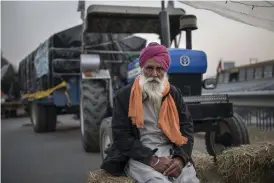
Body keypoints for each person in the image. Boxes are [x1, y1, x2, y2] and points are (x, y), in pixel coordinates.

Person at [101, 42, 199, 183]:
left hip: (172, 153)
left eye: (159, 69)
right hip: (140, 156)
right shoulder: (125, 95)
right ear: (142, 68)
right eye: (149, 68)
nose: (154, 74)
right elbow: (121, 137)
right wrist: (153, 160)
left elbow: (186, 128)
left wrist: (180, 159)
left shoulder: (173, 93)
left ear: (165, 71)